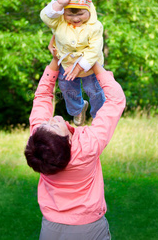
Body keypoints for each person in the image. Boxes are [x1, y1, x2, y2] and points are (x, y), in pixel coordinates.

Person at [24, 54, 126, 240]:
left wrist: (55, 61)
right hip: (90, 230)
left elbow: (42, 97)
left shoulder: (40, 142)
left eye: (48, 123)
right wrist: (94, 63)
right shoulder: (89, 145)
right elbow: (116, 100)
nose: (53, 118)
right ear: (67, 141)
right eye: (55, 125)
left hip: (50, 229)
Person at [40, 0, 106, 126]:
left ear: (88, 9)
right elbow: (45, 17)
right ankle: (78, 109)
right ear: (64, 12)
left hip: (89, 66)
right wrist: (59, 4)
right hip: (66, 64)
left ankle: (100, 115)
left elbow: (94, 49)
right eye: (70, 14)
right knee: (67, 89)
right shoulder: (60, 20)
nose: (75, 19)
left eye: (81, 14)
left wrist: (80, 66)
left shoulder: (95, 26)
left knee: (94, 91)